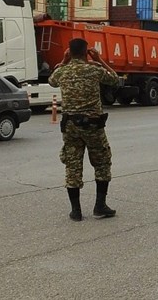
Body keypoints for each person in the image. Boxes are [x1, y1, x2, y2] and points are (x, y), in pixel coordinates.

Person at [48, 38, 120, 222]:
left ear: (69, 52)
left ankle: (76, 211)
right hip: (92, 125)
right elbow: (115, 79)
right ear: (87, 51)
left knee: (72, 165)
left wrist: (64, 61)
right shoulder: (94, 70)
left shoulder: (62, 71)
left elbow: (51, 81)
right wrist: (100, 59)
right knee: (102, 162)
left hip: (70, 126)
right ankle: (100, 205)